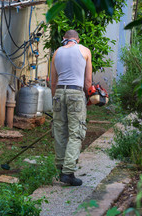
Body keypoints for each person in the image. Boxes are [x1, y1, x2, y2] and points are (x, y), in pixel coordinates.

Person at [50, 29, 92, 186]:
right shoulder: (85, 51)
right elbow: (88, 82)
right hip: (76, 92)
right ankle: (68, 172)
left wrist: (55, 99)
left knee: (59, 130)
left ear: (64, 39)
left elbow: (53, 82)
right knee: (76, 133)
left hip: (59, 92)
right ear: (78, 40)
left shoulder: (56, 53)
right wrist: (88, 98)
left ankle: (60, 169)